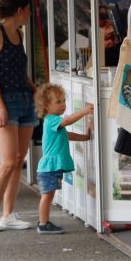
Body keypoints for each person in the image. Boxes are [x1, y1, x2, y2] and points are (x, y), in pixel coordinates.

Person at [0, 0, 37, 232]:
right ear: (19, 10)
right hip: (5, 100)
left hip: (25, 98)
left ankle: (8, 213)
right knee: (7, 162)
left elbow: (19, 69)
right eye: (28, 9)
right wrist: (0, 106)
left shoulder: (19, 34)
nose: (30, 14)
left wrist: (34, 88)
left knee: (16, 161)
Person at [33, 83, 93, 234]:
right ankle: (43, 223)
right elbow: (67, 121)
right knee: (47, 196)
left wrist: (84, 137)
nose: (63, 105)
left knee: (49, 195)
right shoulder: (51, 119)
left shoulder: (54, 122)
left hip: (51, 167)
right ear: (46, 106)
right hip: (49, 168)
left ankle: (43, 221)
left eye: (63, 101)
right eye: (58, 102)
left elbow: (66, 136)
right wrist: (83, 112)